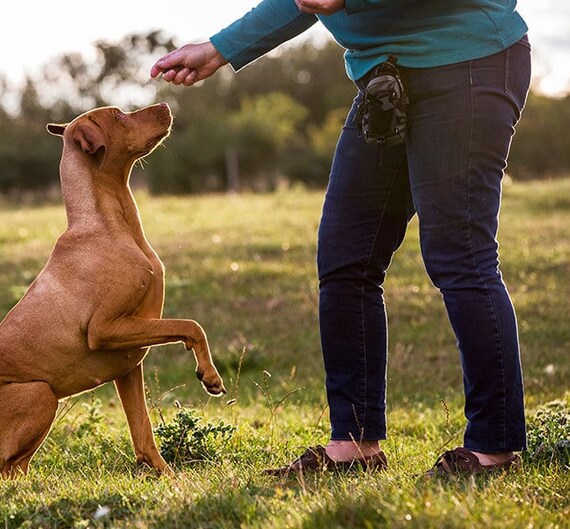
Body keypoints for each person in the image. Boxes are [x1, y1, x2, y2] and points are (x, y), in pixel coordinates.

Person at [151, 0, 530, 476]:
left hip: (467, 63)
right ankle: (354, 445)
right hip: (385, 80)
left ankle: (494, 447)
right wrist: (220, 49)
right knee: (346, 259)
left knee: (461, 255)